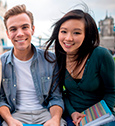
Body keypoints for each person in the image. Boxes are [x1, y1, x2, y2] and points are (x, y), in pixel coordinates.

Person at [44, 9, 115, 126]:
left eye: (76, 33)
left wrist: (99, 118)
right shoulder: (59, 58)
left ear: (87, 35)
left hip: (102, 117)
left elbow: (111, 91)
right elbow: (61, 94)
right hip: (72, 117)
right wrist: (72, 113)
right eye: (64, 32)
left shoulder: (101, 55)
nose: (68, 38)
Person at [0, 4, 66, 126]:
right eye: (13, 29)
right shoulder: (1, 62)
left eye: (24, 27)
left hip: (45, 112)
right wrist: (9, 120)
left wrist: (55, 119)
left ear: (33, 29)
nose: (19, 34)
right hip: (15, 114)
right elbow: (1, 99)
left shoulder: (50, 59)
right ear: (8, 34)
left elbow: (56, 97)